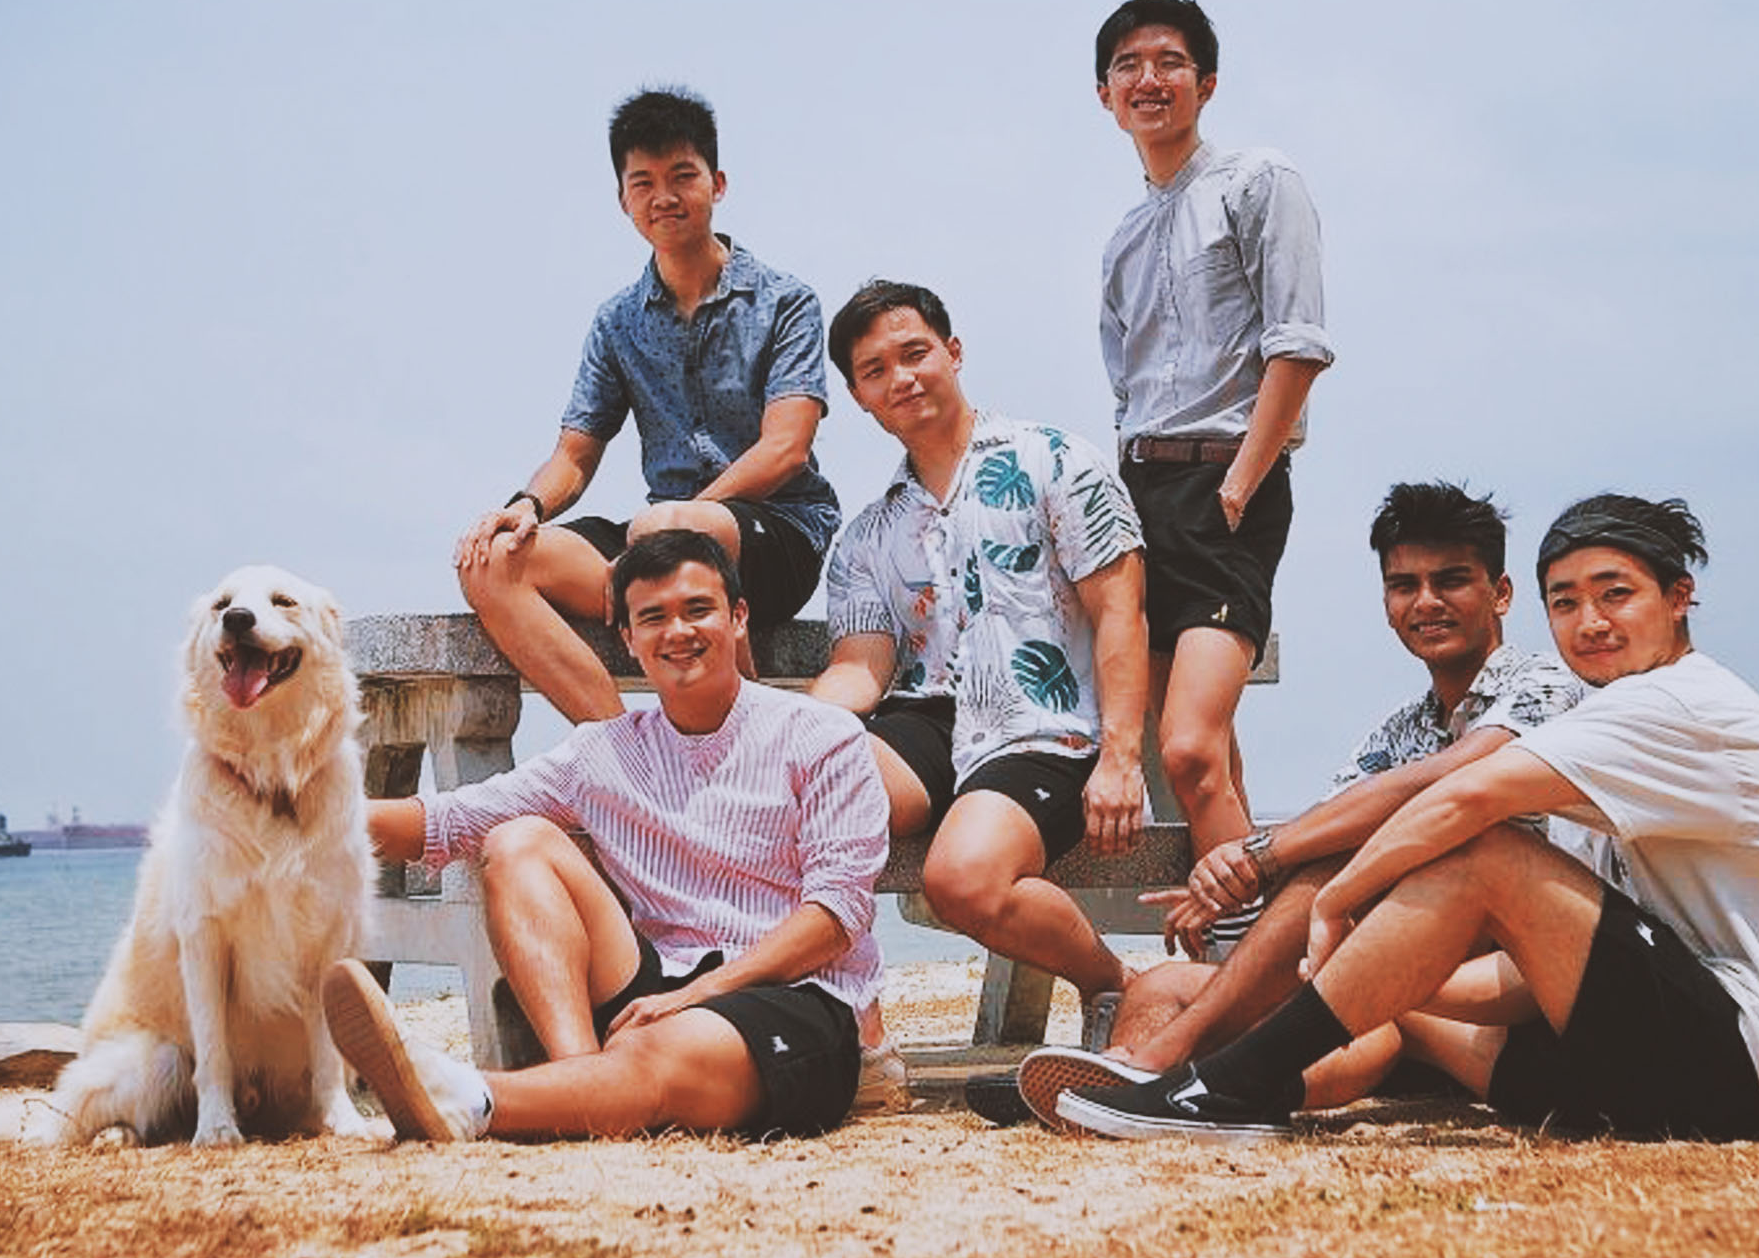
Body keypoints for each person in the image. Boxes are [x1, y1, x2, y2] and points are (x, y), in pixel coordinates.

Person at [1053, 495, 1759, 1143]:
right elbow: (1534, 973)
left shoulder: (1675, 704)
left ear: (1679, 598)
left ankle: (1221, 1088)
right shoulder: (1608, 722)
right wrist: (1378, 972)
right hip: (1646, 1055)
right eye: (1567, 602)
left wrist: (1334, 901)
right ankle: (1152, 1084)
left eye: (1616, 595)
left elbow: (1464, 795)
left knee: (1483, 852)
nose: (1590, 623)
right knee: (1196, 987)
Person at [1013, 481, 1584, 1124]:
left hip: (1511, 982)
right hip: (1394, 979)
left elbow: (1452, 779)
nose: (1426, 602)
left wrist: (1260, 855)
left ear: (1500, 593)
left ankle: (1161, 1071)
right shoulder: (1401, 729)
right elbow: (1331, 821)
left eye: (1450, 581)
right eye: (1404, 586)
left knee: (1330, 886)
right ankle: (1118, 1080)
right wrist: (1225, 879)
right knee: (1161, 985)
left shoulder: (1545, 683)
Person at [323, 529, 887, 1141]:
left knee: (665, 1052)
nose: (677, 631)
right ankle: (581, 1082)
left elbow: (837, 915)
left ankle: (468, 1096)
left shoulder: (822, 736)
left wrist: (701, 992)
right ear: (629, 638)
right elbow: (448, 821)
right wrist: (298, 812)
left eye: (698, 609)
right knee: (518, 843)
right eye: (653, 617)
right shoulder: (603, 752)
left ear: (738, 618)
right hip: (652, 985)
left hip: (791, 994)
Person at [808, 280, 1148, 1023]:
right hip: (926, 722)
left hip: (1044, 726)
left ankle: (1115, 986)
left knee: (961, 879)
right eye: (875, 371)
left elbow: (1120, 612)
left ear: (953, 352)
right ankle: (849, 1027)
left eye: (915, 353)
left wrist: (1122, 759)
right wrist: (763, 725)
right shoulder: (867, 535)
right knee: (799, 793)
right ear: (859, 398)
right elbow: (859, 672)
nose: (901, 378)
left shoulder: (1055, 460)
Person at [453, 87, 840, 722]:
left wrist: (666, 535)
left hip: (773, 537)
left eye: (682, 176)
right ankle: (624, 756)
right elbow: (574, 457)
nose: (664, 196)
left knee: (673, 527)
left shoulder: (784, 302)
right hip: (655, 543)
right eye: (644, 183)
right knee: (492, 562)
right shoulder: (617, 322)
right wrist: (523, 507)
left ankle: (750, 742)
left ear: (717, 184)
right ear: (623, 200)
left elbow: (785, 449)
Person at [1094, 0, 1334, 952]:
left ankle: (1250, 960)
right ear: (1105, 94)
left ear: (1207, 82)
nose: (1149, 79)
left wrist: (1240, 483)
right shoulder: (1122, 237)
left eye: (1169, 61)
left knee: (1188, 748)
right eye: (1128, 66)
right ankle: (1243, 955)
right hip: (1140, 495)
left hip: (1227, 484)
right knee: (1206, 763)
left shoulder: (1258, 181)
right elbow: (1127, 386)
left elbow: (1299, 343)